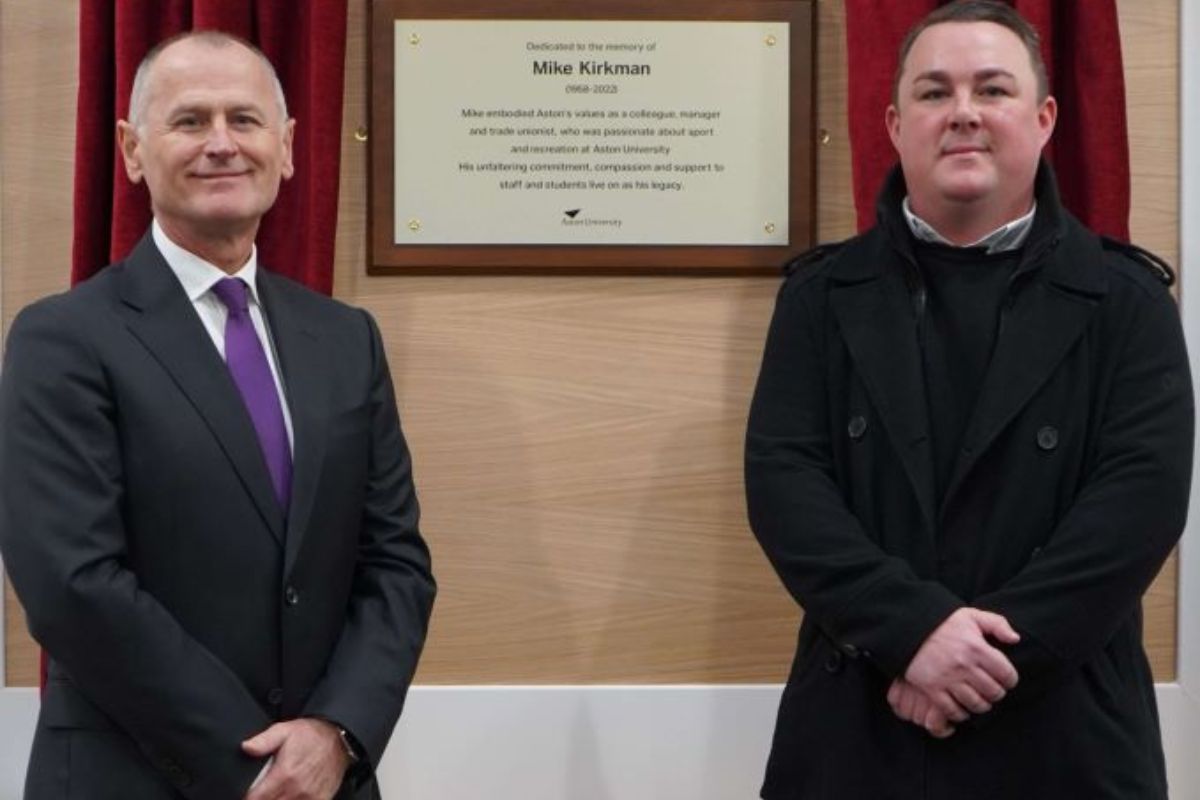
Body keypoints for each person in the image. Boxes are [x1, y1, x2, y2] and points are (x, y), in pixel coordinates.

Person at [744, 2, 1193, 798]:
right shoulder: (819, 300)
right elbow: (786, 489)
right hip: (862, 719)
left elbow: (1138, 508)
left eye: (992, 89)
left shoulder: (1128, 302)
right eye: (934, 92)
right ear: (894, 124)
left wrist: (978, 666)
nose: (963, 113)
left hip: (1066, 732)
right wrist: (912, 634)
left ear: (1045, 118)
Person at [0, 31, 435, 800]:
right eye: (190, 120)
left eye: (245, 119)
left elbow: (396, 564)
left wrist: (335, 733)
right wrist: (257, 764)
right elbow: (73, 584)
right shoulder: (61, 339)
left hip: (325, 779)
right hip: (132, 777)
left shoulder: (345, 340)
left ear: (287, 147)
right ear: (133, 151)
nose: (222, 144)